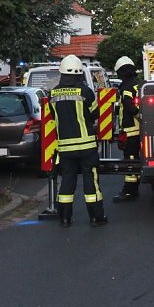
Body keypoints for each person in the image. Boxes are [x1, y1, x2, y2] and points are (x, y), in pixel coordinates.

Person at [48, 55, 108, 228]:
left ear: (61, 72)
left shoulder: (52, 94)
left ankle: (65, 219)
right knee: (91, 181)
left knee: (67, 182)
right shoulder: (85, 92)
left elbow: (52, 116)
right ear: (79, 73)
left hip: (65, 148)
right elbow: (95, 113)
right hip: (87, 146)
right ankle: (96, 217)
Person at [113, 56, 141, 202]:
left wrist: (137, 115)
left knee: (129, 161)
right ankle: (134, 188)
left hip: (131, 130)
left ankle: (129, 191)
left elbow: (129, 106)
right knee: (135, 159)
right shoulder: (138, 84)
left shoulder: (126, 87)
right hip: (139, 130)